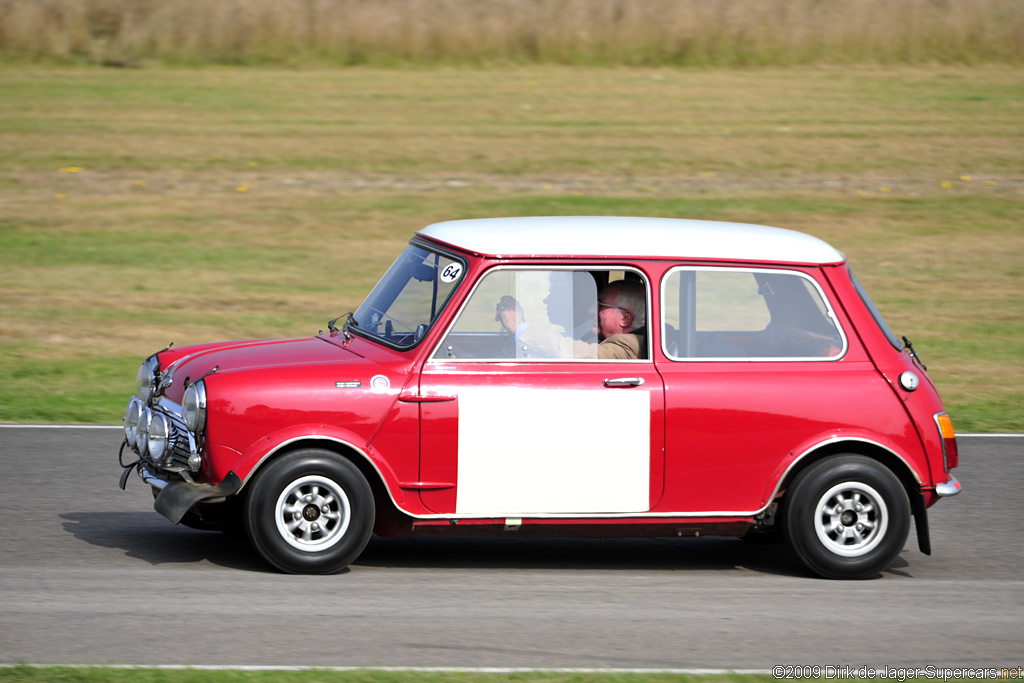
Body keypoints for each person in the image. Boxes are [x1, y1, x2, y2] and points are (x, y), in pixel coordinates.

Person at [496, 279, 646, 360]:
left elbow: (568, 350)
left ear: (625, 318)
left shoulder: (631, 345)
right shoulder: (604, 337)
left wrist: (519, 327)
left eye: (600, 305)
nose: (591, 310)